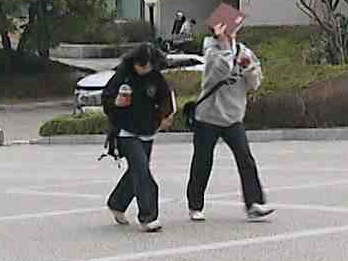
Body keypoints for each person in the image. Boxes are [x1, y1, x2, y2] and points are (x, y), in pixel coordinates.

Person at [186, 21, 275, 221]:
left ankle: (254, 203)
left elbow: (255, 83)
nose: (232, 31)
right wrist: (225, 45)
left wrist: (248, 67)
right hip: (208, 117)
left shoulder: (244, 51)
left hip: (233, 117)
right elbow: (221, 71)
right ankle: (195, 205)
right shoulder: (211, 51)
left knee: (246, 159)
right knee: (202, 162)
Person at [102, 43, 176, 232]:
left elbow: (166, 99)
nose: (142, 69)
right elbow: (106, 98)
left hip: (147, 131)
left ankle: (117, 203)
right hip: (125, 131)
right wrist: (115, 102)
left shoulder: (156, 77)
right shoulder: (123, 75)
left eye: (146, 66)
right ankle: (147, 217)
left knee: (136, 171)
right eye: (139, 65)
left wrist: (164, 116)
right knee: (142, 170)